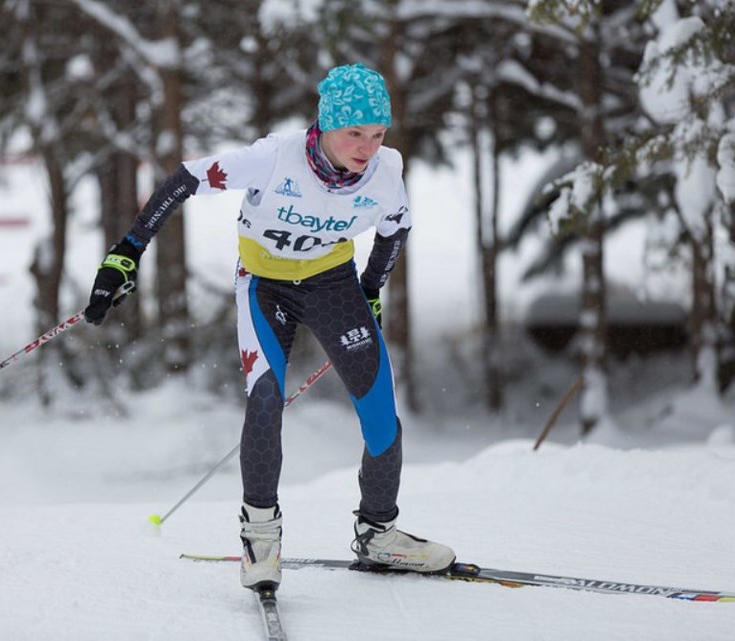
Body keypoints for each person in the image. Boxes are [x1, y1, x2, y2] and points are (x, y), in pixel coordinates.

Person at [84, 63, 456, 590]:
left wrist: (371, 290)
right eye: (355, 133)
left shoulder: (387, 171)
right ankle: (260, 537)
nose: (367, 147)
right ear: (325, 125)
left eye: (377, 134)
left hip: (333, 286)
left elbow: (396, 230)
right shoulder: (273, 158)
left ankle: (379, 535)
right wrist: (127, 252)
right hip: (266, 286)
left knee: (379, 407)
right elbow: (186, 179)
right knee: (264, 399)